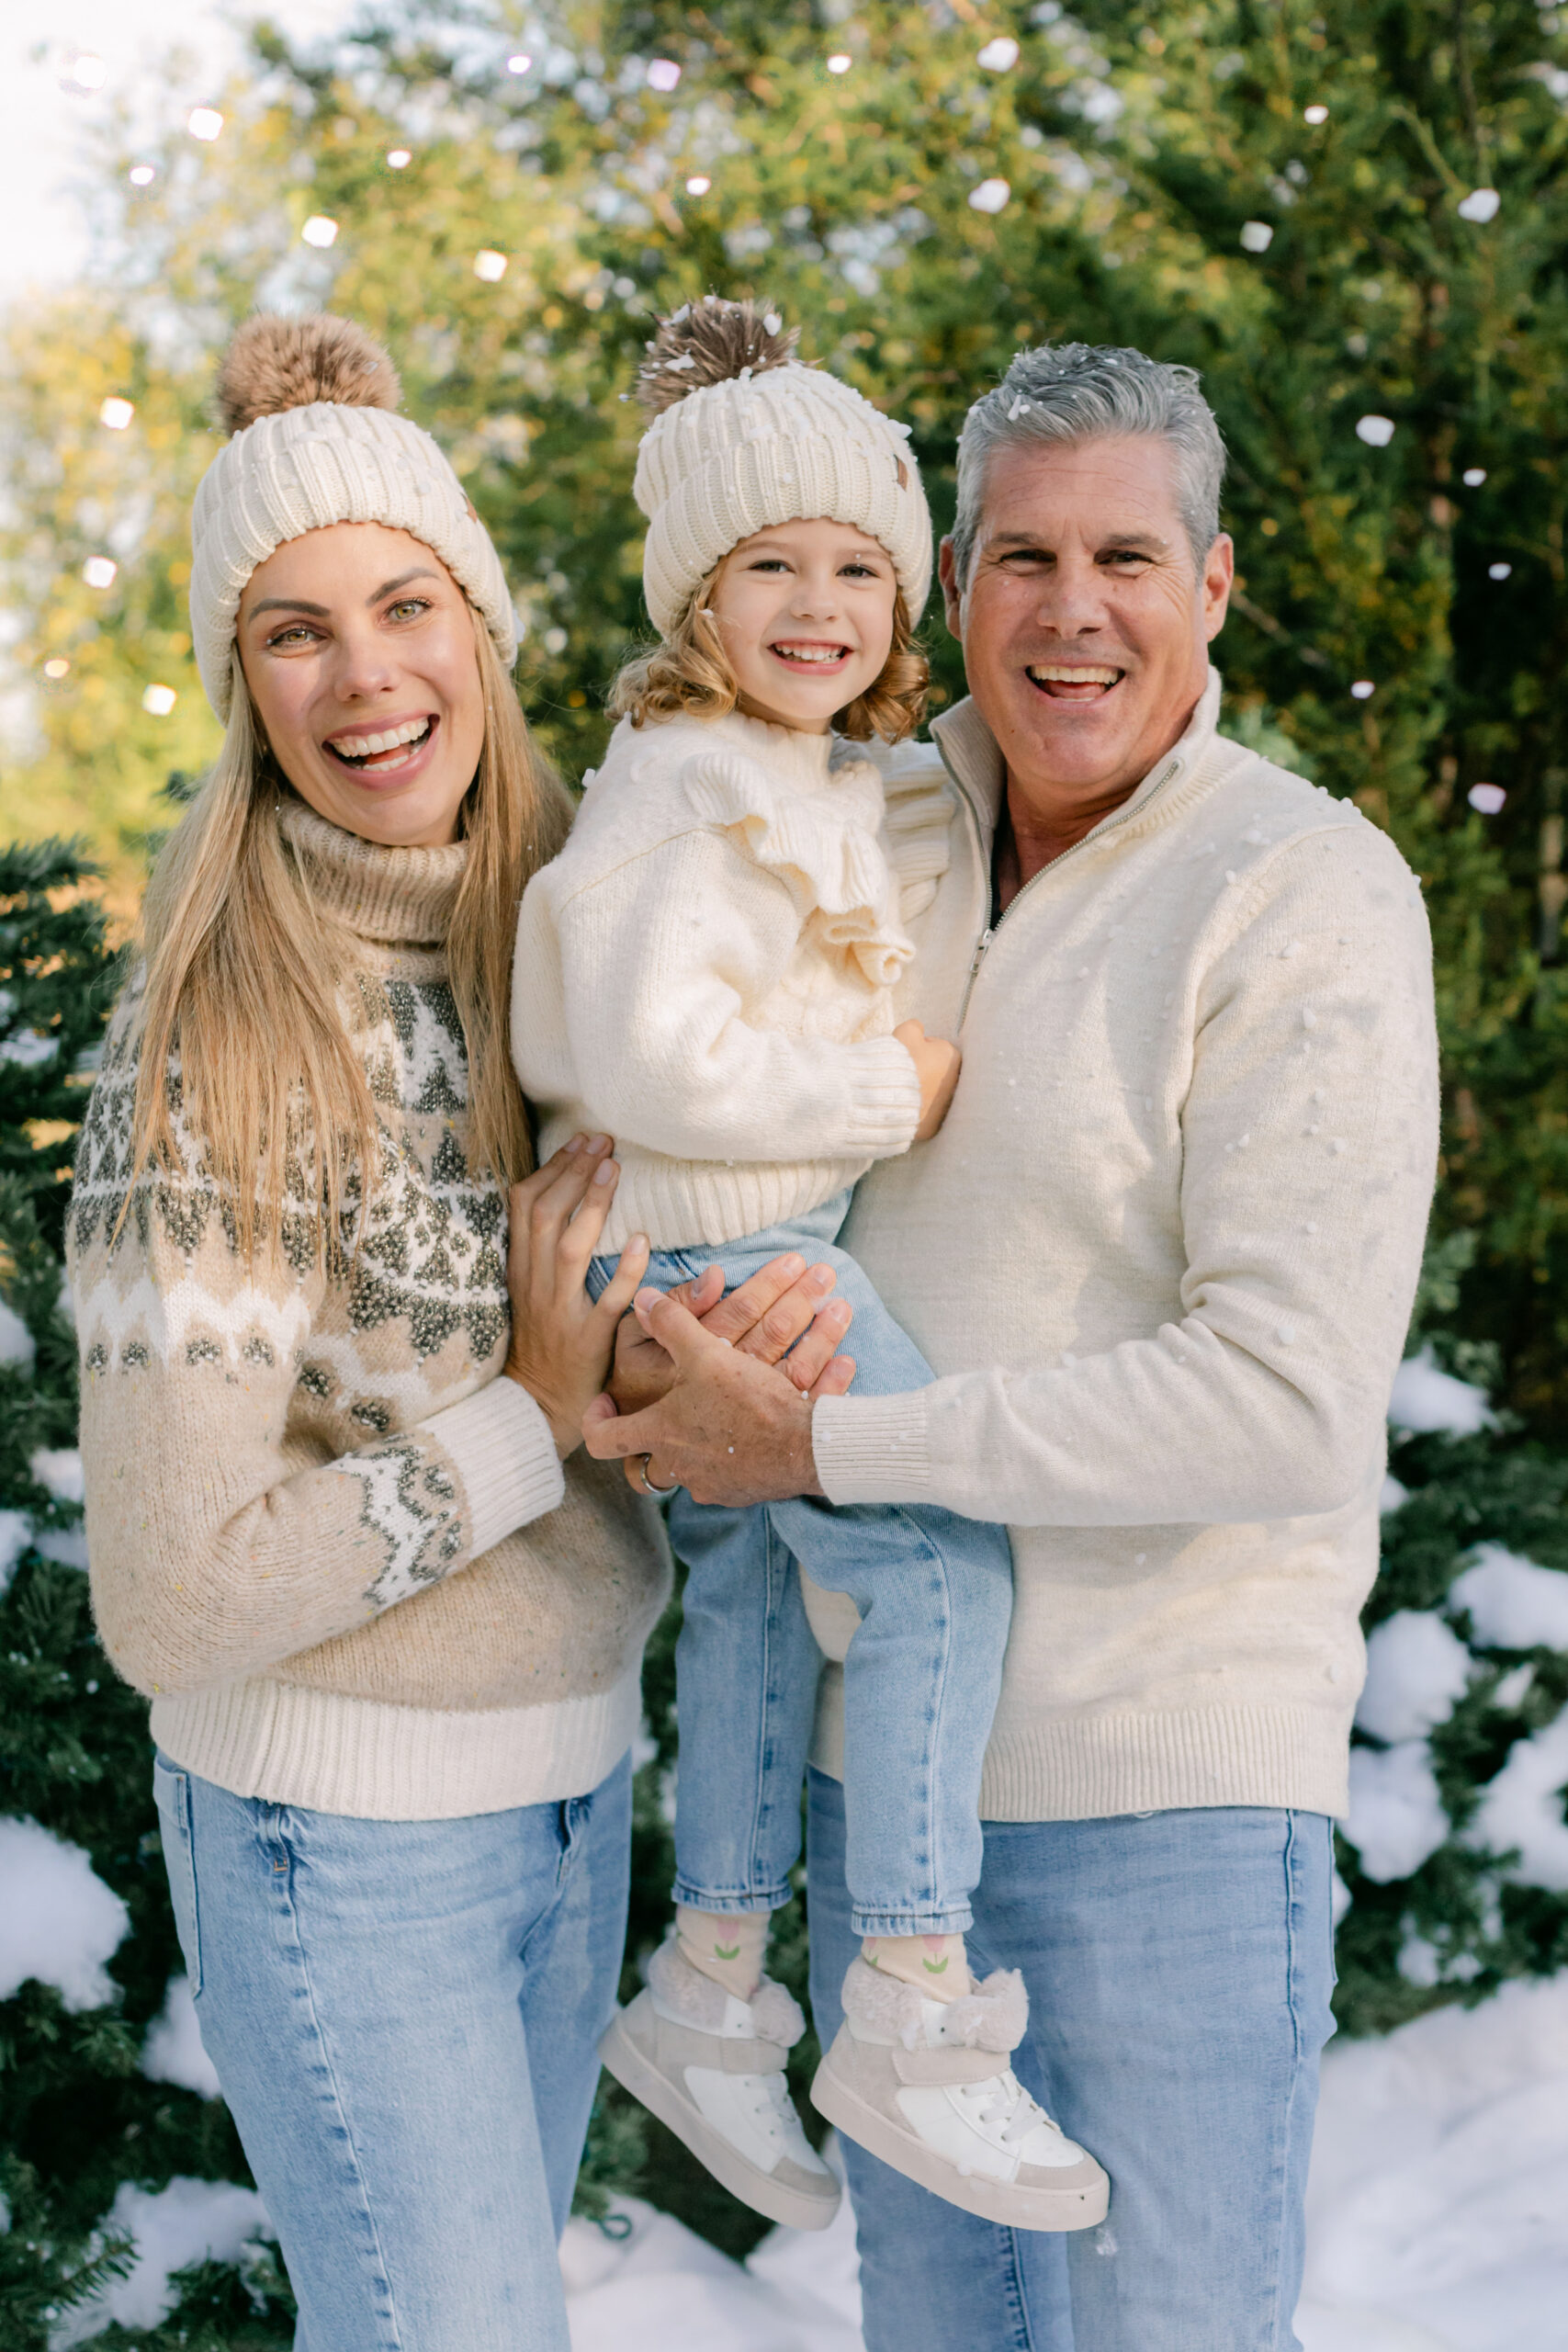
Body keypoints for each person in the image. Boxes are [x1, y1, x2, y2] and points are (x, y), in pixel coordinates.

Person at [585, 340, 1441, 2350]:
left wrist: (829, 1451)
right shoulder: (846, 823)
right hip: (885, 1808)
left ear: (1211, 589)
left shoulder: (1298, 891)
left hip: (1165, 1798)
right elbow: (644, 1088)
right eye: (1023, 557)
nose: (1072, 612)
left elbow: (1283, 1399)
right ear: (947, 582)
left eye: (1126, 557)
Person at [65, 309, 846, 2352]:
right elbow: (167, 1592)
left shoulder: (571, 935)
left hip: (574, 1783)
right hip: (344, 1838)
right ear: (243, 688)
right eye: (292, 630)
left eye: (406, 603)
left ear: (481, 627)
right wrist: (530, 1415)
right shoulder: (209, 1041)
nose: (365, 674)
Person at [513, 298, 1106, 2238]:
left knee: (761, 1601)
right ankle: (914, 2003)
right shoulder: (678, 786)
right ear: (695, 595)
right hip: (723, 1241)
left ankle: (704, 1989)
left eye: (857, 564)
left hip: (713, 1245)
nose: (820, 600)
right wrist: (893, 1078)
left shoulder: (792, 769)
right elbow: (628, 1038)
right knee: (937, 1555)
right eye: (769, 563)